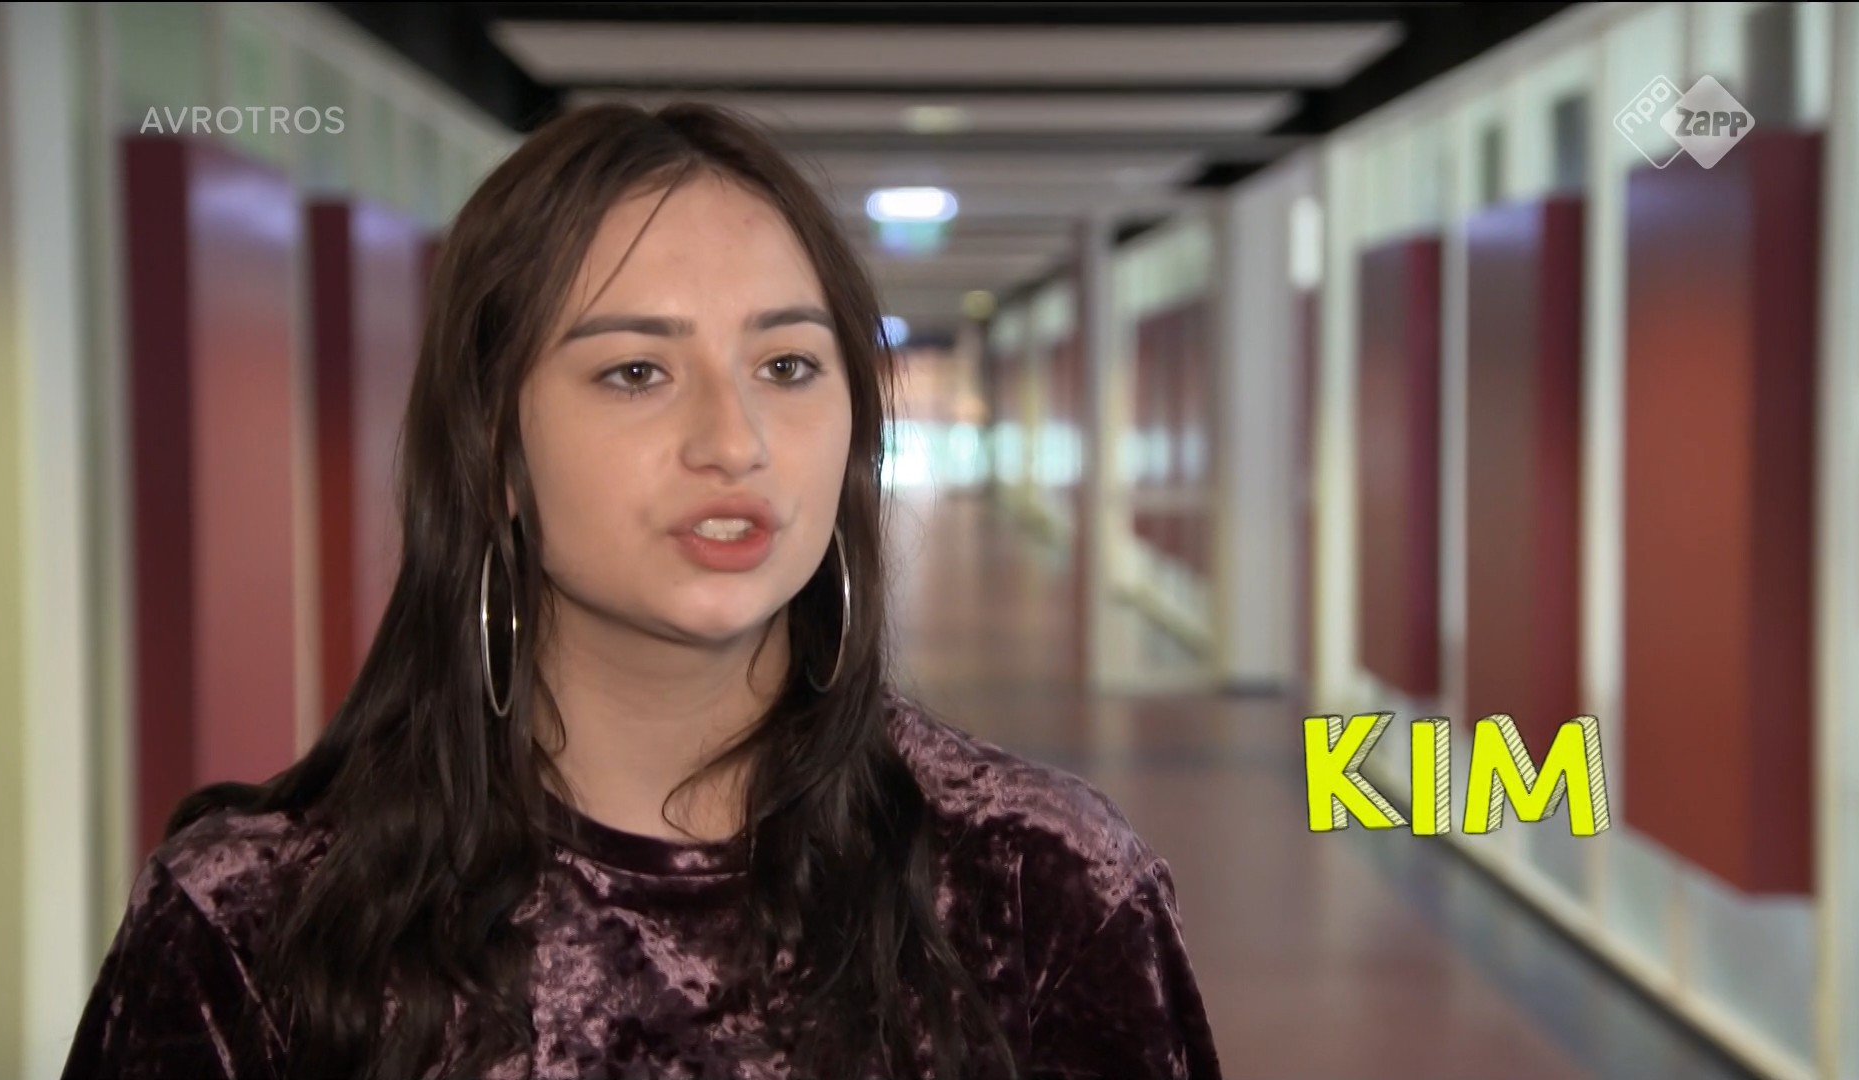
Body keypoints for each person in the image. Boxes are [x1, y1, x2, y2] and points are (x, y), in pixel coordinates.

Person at [61, 102, 1222, 1080]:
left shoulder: (1041, 888)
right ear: (496, 452)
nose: (735, 440)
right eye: (635, 372)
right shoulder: (250, 928)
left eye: (787, 365)